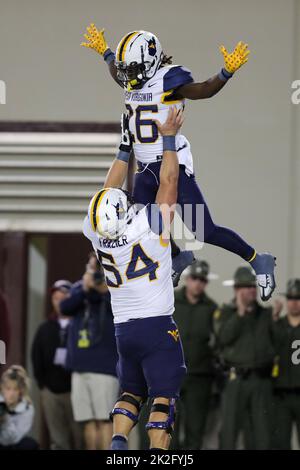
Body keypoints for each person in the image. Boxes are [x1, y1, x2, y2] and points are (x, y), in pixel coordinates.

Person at [80, 24, 276, 302]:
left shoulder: (170, 79)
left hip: (172, 164)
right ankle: (178, 256)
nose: (127, 77)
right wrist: (106, 53)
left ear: (149, 63)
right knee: (144, 225)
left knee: (202, 230)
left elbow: (203, 90)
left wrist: (225, 73)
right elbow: (118, 73)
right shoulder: (132, 76)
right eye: (126, 71)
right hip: (146, 168)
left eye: (132, 70)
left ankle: (258, 259)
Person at [83, 107, 186, 450]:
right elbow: (170, 181)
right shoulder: (146, 226)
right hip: (157, 327)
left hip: (123, 330)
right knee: (163, 398)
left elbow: (105, 193)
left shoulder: (97, 234)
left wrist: (124, 148)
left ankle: (117, 444)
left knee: (130, 392)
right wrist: (168, 138)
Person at [60, 253, 119, 450]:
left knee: (104, 420)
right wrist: (85, 289)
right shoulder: (79, 288)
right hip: (79, 366)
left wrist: (103, 290)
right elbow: (65, 307)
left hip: (104, 367)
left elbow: (123, 311)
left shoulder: (118, 287)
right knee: (87, 421)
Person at [214, 266, 276, 449]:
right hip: (236, 381)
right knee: (229, 433)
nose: (251, 290)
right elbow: (223, 338)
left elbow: (276, 343)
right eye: (246, 287)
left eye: (253, 286)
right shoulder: (226, 313)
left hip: (261, 381)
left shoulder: (265, 315)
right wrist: (239, 314)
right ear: (236, 290)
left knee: (262, 434)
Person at [171, 260, 218, 449]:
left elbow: (218, 341)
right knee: (169, 429)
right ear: (187, 279)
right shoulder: (170, 301)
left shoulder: (212, 308)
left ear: (205, 283)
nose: (197, 283)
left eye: (202, 279)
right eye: (194, 278)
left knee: (195, 430)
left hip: (200, 377)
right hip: (171, 376)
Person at [31, 280, 81, 450]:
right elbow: (36, 355)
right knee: (58, 439)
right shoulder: (45, 327)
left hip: (75, 390)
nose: (59, 301)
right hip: (51, 391)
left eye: (63, 297)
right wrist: (42, 385)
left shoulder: (80, 324)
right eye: (55, 298)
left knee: (80, 436)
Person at [272, 279, 300, 449]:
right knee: (281, 441)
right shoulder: (278, 325)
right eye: (291, 298)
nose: (294, 303)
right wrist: (274, 317)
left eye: (297, 298)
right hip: (281, 394)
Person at [0, 365, 38, 450]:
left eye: (15, 389)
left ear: (20, 390)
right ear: (2, 389)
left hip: (13, 443)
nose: (11, 393)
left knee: (30, 444)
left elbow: (14, 438)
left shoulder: (27, 408)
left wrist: (6, 418)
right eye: (8, 389)